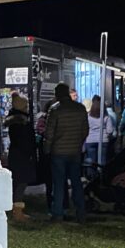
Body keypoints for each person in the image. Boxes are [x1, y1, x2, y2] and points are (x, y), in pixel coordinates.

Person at [44, 82, 88, 223]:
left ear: (57, 94)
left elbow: (49, 133)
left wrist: (47, 149)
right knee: (76, 182)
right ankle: (80, 212)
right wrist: (78, 143)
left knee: (58, 183)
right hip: (75, 151)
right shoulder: (80, 108)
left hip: (58, 152)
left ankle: (58, 213)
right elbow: (85, 130)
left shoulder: (55, 110)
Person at [4, 94, 37, 222]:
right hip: (22, 155)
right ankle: (17, 211)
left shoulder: (14, 120)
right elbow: (26, 140)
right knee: (21, 182)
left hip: (16, 154)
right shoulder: (21, 121)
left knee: (17, 182)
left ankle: (15, 208)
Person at [84, 95, 114, 168]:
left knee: (91, 162)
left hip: (90, 140)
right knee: (103, 161)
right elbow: (110, 130)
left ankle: (92, 174)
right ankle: (101, 174)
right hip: (103, 140)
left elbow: (85, 128)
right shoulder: (106, 116)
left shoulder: (88, 116)